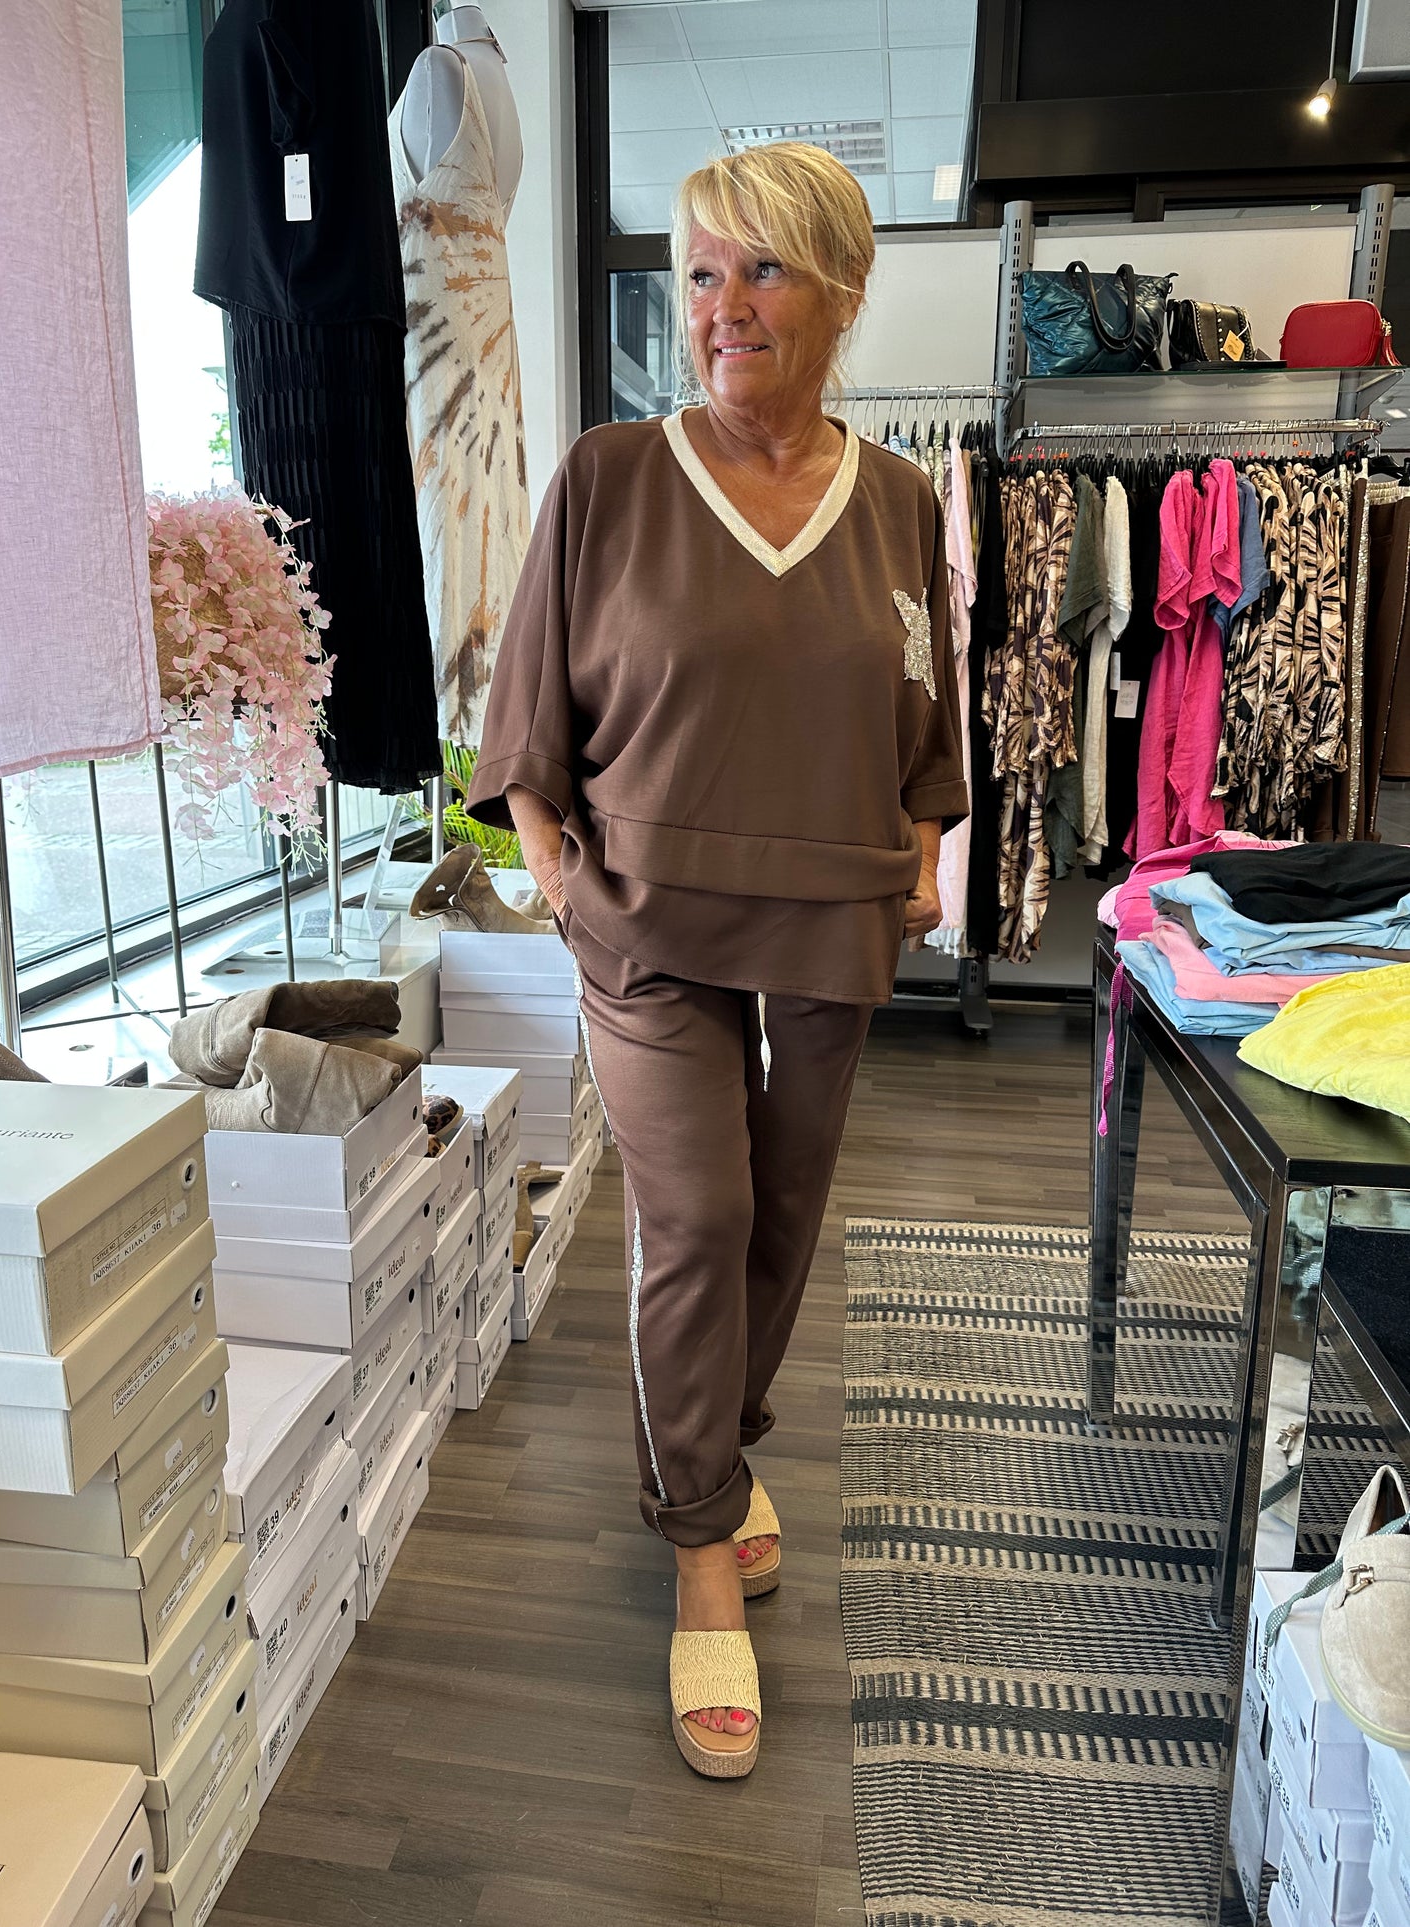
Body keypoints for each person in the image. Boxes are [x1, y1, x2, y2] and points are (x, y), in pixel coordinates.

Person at [466, 141, 967, 1778]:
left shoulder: (897, 501)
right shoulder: (608, 479)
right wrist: (553, 869)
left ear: (841, 291)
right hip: (644, 915)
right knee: (698, 1215)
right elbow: (527, 710)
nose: (722, 306)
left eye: (761, 270)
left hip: (830, 907)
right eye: (698, 272)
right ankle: (698, 1542)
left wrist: (922, 845)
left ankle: (716, 1449)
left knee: (785, 1211)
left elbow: (920, 701)